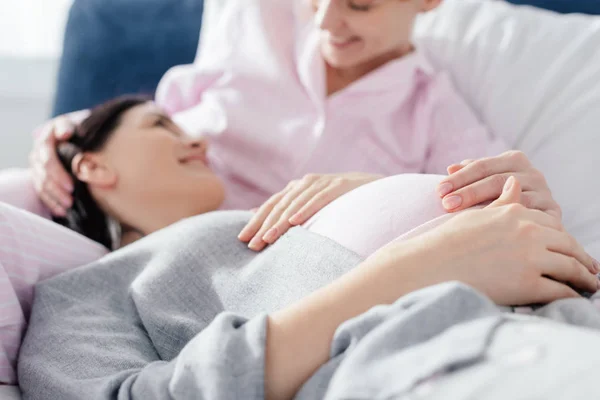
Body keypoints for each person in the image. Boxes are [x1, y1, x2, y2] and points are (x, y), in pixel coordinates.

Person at [2, 96, 599, 387]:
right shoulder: (81, 291)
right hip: (435, 360)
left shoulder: (276, 218)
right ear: (92, 168)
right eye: (162, 124)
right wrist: (416, 268)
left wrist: (507, 206)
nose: (202, 142)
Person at [28, 0, 560, 252]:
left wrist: (366, 190)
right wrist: (63, 137)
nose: (326, 22)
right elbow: (153, 117)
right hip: (144, 229)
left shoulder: (434, 114)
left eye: (359, 4)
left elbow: (505, 206)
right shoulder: (256, 19)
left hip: (283, 282)